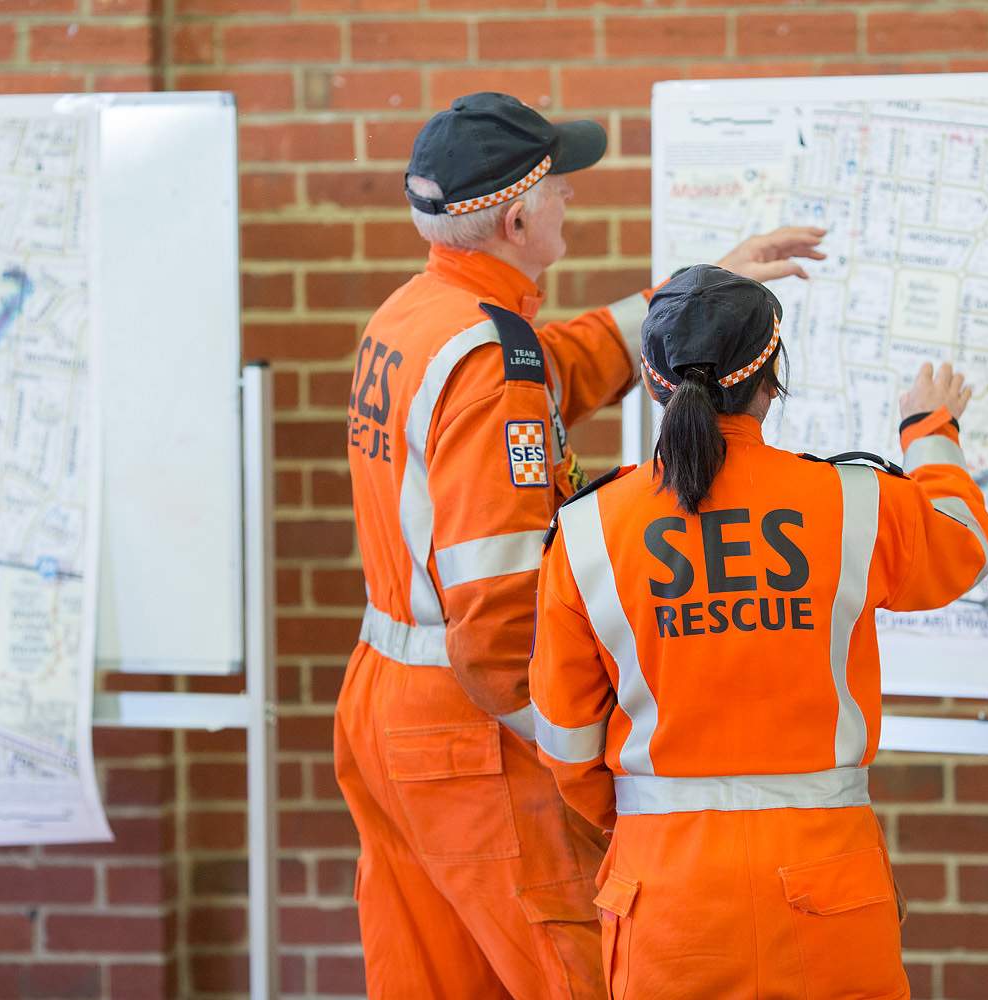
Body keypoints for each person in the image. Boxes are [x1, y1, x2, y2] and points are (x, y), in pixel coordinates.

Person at [331, 92, 826, 999]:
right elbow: (498, 619)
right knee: (572, 972)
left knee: (432, 979)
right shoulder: (488, 364)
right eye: (561, 189)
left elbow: (554, 365)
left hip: (387, 708)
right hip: (468, 730)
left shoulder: (421, 316)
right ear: (518, 218)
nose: (572, 205)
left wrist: (693, 291)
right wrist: (585, 764)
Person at [528, 264, 988, 999]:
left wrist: (646, 823)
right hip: (828, 891)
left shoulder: (589, 528)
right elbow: (964, 539)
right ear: (771, 378)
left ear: (654, 384)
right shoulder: (854, 504)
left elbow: (564, 743)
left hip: (664, 898)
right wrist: (931, 433)